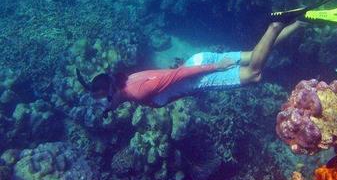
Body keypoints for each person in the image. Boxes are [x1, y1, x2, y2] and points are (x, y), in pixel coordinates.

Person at [77, 20, 304, 115]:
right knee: (255, 54)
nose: (108, 107)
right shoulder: (127, 80)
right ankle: (299, 24)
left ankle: (274, 26)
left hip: (199, 75)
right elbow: (172, 75)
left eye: (106, 101)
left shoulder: (137, 92)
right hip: (197, 63)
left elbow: (177, 75)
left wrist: (216, 66)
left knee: (252, 74)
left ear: (113, 91)